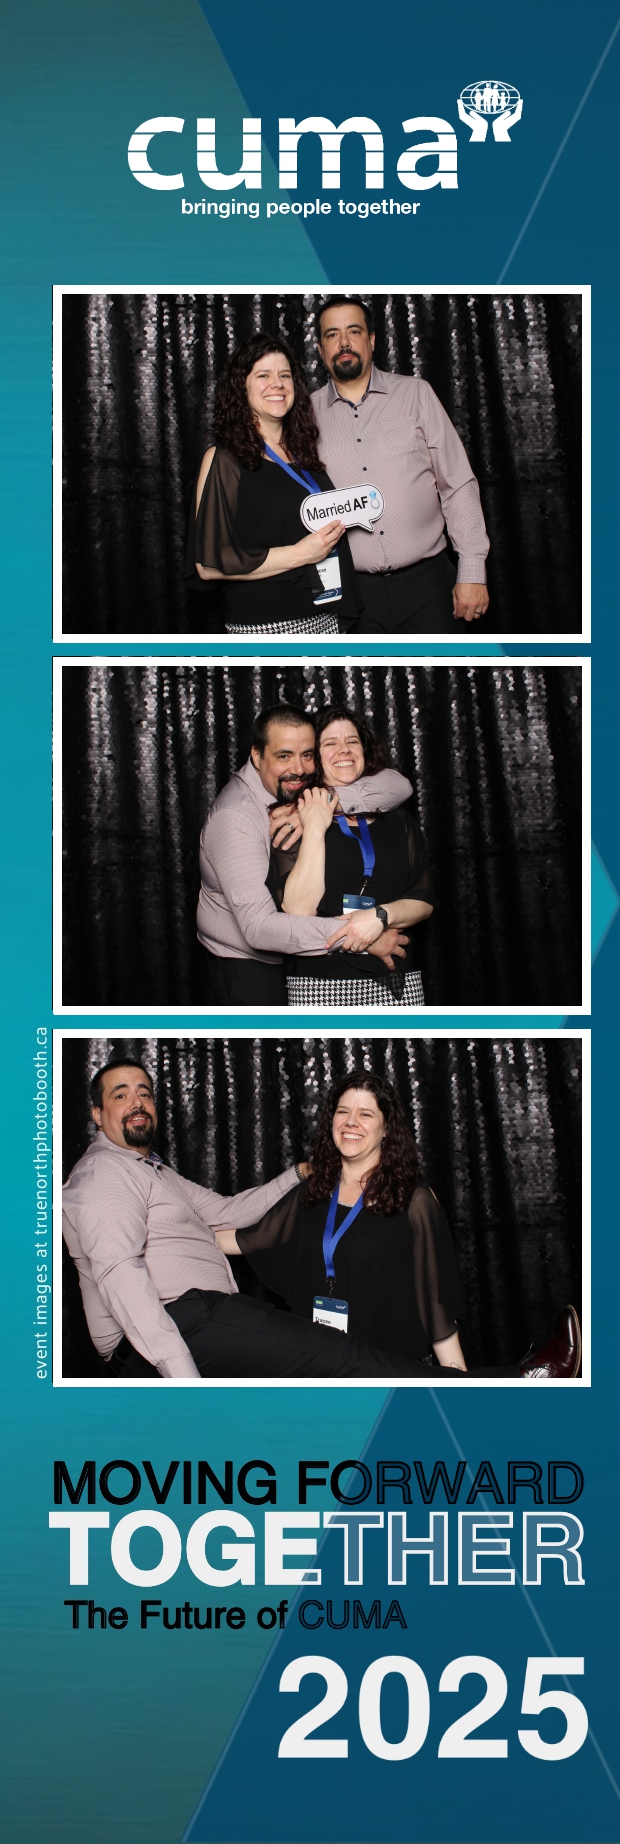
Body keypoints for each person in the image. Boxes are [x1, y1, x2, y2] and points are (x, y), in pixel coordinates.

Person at [63, 1060, 581, 1381]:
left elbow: (219, 1214)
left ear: (387, 1128)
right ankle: (514, 1383)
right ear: (96, 1114)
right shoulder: (105, 1175)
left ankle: (494, 1390)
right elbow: (123, 1272)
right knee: (339, 1357)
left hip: (206, 1320)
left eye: (145, 1092)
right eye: (120, 1094)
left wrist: (295, 1172)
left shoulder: (153, 1172)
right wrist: (183, 1381)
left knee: (341, 1361)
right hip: (175, 1328)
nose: (137, 1102)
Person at [197, 702, 414, 1007]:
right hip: (251, 967)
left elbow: (398, 785)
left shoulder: (294, 788)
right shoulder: (236, 818)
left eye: (307, 755)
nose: (298, 769)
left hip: (299, 957)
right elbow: (259, 929)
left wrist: (325, 803)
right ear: (257, 756)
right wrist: (364, 936)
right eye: (283, 756)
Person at [312, 295, 490, 634]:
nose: (344, 342)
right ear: (320, 349)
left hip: (429, 586)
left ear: (371, 340)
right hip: (351, 595)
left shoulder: (416, 395)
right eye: (332, 335)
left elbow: (457, 484)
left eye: (354, 331)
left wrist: (471, 568)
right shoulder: (306, 416)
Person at [185, 332, 362, 637]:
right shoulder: (223, 459)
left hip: (325, 619)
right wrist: (301, 554)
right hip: (267, 627)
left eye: (284, 375)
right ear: (242, 386)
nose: (277, 384)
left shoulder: (304, 453)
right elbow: (208, 563)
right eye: (263, 375)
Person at [266, 705, 434, 1007]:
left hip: (399, 982)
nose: (344, 749)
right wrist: (314, 825)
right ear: (314, 757)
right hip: (319, 986)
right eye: (330, 743)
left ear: (364, 750)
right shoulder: (293, 820)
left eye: (352, 741)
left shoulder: (400, 819)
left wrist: (380, 916)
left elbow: (423, 900)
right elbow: (298, 912)